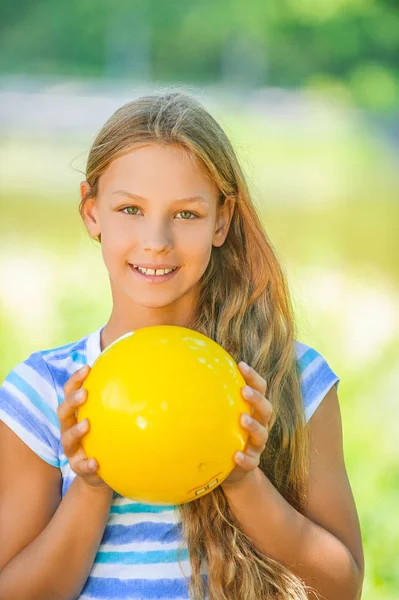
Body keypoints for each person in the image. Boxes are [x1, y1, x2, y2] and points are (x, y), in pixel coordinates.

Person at [0, 89, 364, 600]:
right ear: (91, 213)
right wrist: (90, 484)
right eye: (129, 208)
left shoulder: (289, 380)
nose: (157, 239)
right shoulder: (43, 392)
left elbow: (341, 586)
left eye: (187, 214)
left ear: (222, 219)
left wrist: (243, 480)